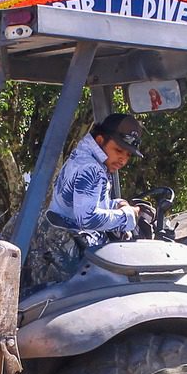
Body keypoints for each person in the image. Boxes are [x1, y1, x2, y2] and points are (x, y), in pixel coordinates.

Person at [25, 113, 148, 288]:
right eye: (119, 150)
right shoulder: (92, 170)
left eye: (128, 155)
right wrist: (128, 216)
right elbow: (87, 218)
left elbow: (81, 203)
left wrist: (116, 205)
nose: (123, 160)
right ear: (100, 141)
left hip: (58, 244)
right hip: (73, 253)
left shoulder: (81, 158)